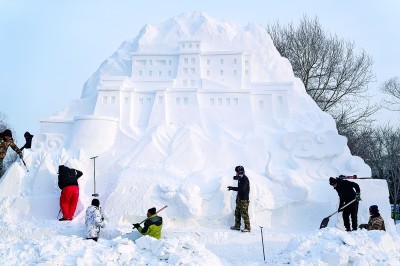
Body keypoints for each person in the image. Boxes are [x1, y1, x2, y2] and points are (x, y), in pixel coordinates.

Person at [227, 165, 251, 232]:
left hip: (244, 200)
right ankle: (237, 226)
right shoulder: (241, 178)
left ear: (240, 172)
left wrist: (232, 188)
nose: (236, 173)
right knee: (237, 212)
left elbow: (242, 189)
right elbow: (236, 178)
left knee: (244, 213)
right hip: (239, 199)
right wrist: (235, 177)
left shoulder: (245, 179)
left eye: (237, 172)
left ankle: (248, 228)